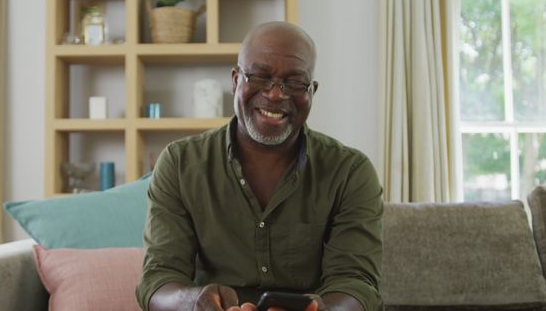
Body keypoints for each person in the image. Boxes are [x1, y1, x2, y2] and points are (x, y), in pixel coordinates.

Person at [136, 21, 383, 311]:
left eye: (294, 82)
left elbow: (356, 284)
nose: (276, 94)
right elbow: (158, 280)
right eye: (259, 76)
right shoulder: (180, 164)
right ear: (235, 80)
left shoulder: (350, 172)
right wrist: (192, 302)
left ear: (312, 91)